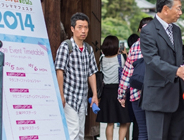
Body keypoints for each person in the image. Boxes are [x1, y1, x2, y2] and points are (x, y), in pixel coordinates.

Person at [140, 0, 184, 140]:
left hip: (178, 97)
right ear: (166, 9)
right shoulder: (148, 32)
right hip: (158, 98)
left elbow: (180, 58)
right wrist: (176, 71)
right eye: (178, 8)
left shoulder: (176, 31)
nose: (181, 12)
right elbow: (152, 60)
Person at [54, 12, 99, 140]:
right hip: (69, 97)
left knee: (80, 132)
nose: (83, 31)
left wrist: (94, 95)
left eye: (85, 27)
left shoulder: (88, 49)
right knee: (73, 132)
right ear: (72, 29)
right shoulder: (66, 47)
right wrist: (61, 95)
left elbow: (92, 73)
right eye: (79, 27)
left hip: (82, 98)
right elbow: (59, 71)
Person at [118, 17, 154, 140]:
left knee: (142, 132)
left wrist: (121, 95)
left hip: (136, 94)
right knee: (155, 132)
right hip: (155, 94)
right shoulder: (159, 44)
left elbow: (127, 72)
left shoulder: (135, 46)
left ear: (140, 30)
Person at [96, 35, 131, 140]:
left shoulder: (101, 58)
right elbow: (129, 68)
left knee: (110, 122)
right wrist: (125, 53)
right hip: (119, 91)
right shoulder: (121, 58)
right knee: (124, 120)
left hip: (106, 91)